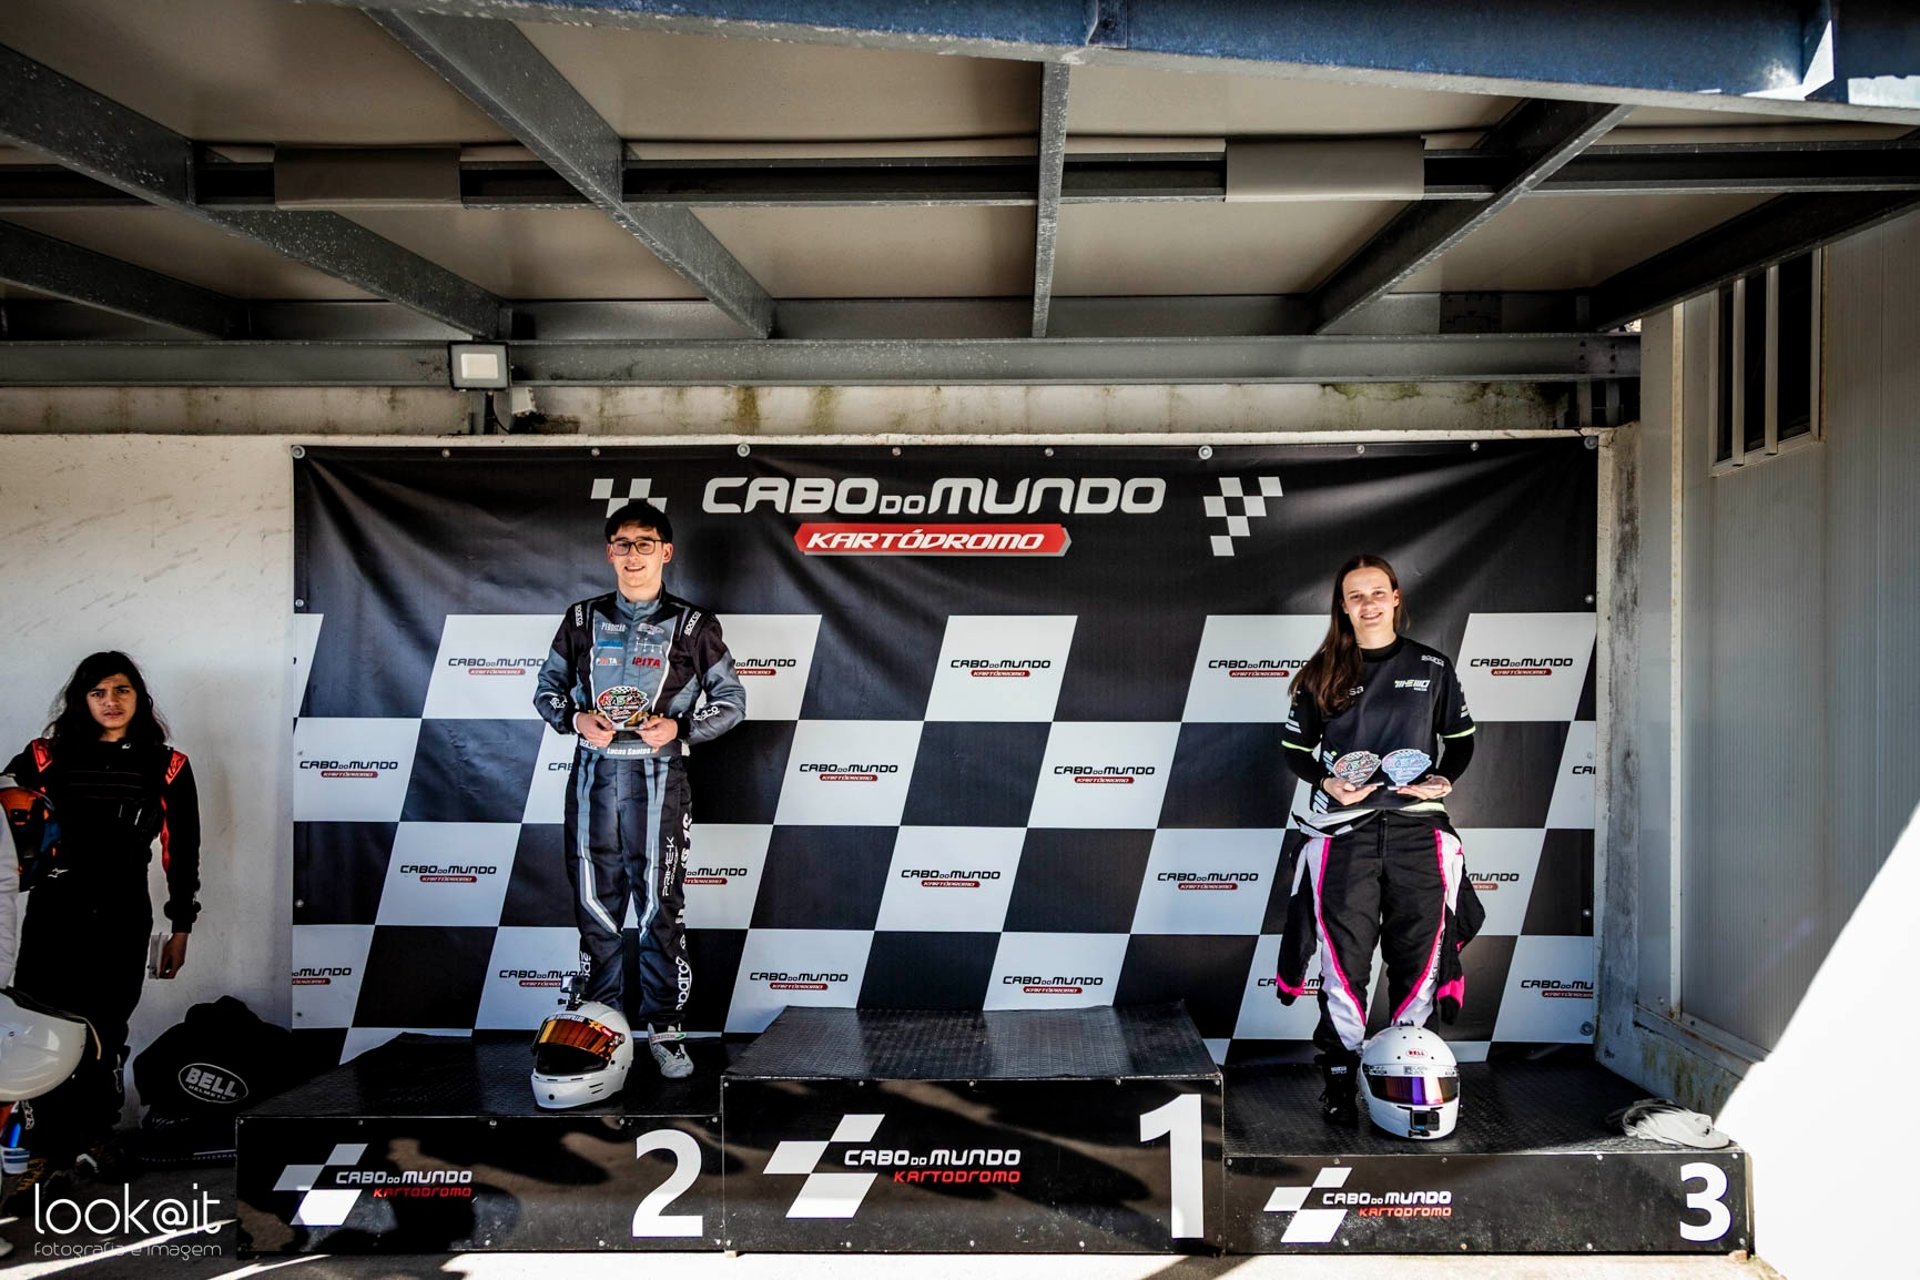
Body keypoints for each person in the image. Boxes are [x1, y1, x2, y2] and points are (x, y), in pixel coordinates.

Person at [534, 502, 745, 1080]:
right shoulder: (581, 619)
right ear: (610, 552)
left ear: (665, 552)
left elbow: (732, 702)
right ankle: (599, 1026)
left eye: (645, 543)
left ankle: (665, 1030)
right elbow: (547, 689)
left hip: (659, 783)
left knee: (658, 907)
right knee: (594, 906)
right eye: (623, 544)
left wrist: (680, 728)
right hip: (593, 782)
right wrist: (575, 719)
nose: (633, 555)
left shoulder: (694, 626)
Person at [1273, 555, 1484, 1123]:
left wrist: (1444, 778)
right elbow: (1294, 749)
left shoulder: (1432, 666)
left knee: (1419, 959)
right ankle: (1340, 1081)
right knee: (1345, 964)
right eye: (1355, 595)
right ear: (1343, 607)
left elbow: (1461, 739)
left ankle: (1409, 1075)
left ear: (1395, 598)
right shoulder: (1321, 671)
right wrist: (1326, 781)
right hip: (1344, 833)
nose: (1367, 603)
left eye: (1376, 592)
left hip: (1420, 831)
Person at [1, 652, 200, 1205]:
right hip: (54, 909)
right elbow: (4, 806)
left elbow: (182, 851)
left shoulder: (168, 764)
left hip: (123, 913)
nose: (110, 701)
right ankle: (37, 1151)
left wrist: (181, 926)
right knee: (39, 1028)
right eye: (98, 692)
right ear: (82, 700)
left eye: (121, 690)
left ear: (139, 697)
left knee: (105, 1030)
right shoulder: (43, 756)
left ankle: (95, 1137)